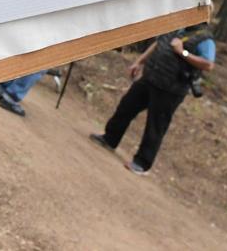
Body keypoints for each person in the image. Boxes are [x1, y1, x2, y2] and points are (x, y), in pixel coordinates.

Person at [89, 23, 216, 175]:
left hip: (171, 88)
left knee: (156, 125)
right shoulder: (176, 25)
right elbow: (158, 44)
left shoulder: (205, 39)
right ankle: (110, 139)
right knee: (126, 107)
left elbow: (208, 64)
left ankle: (142, 164)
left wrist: (183, 53)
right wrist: (139, 61)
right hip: (150, 77)